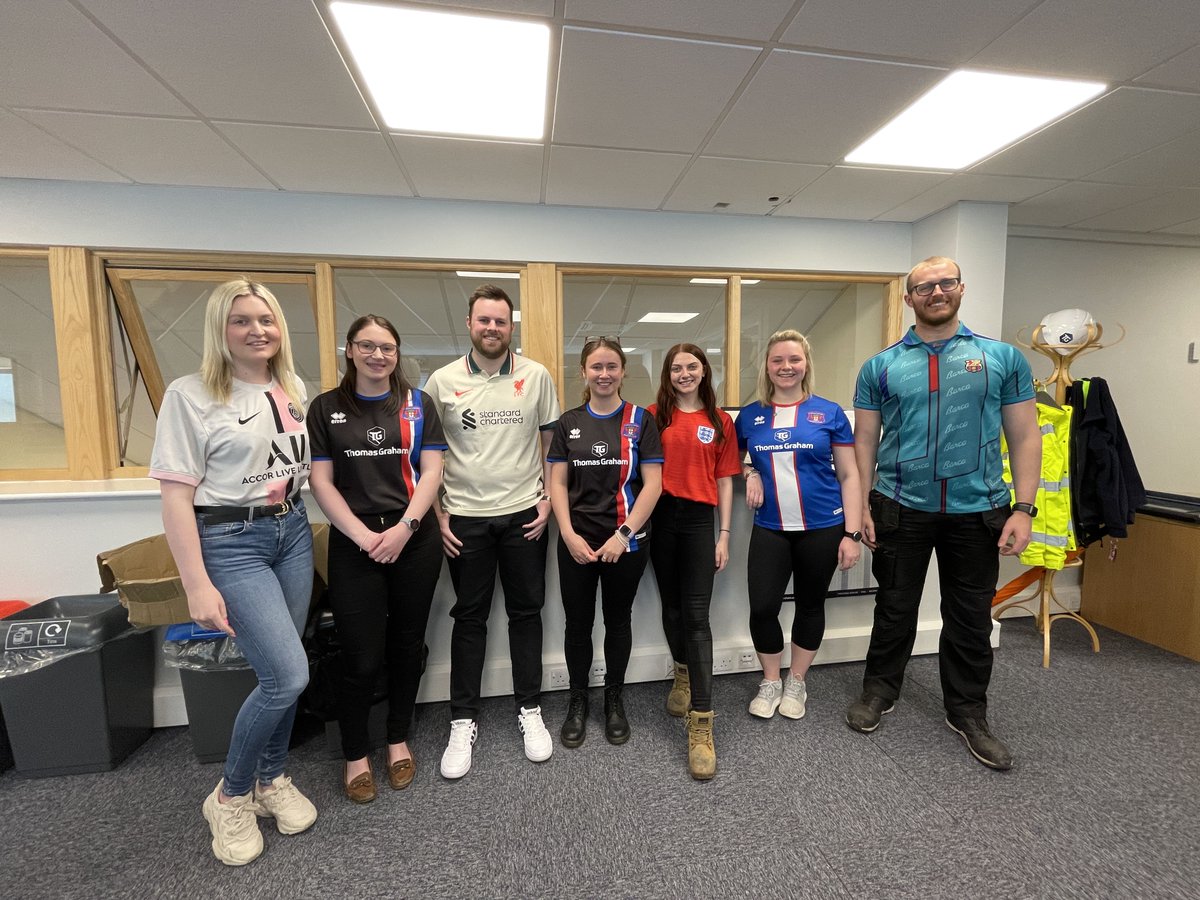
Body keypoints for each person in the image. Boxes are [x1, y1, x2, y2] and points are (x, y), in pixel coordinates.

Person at [848, 256, 1040, 771]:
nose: (935, 292)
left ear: (960, 289)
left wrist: (1023, 507)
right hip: (899, 507)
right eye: (923, 287)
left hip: (979, 510)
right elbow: (865, 440)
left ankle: (968, 712)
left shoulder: (1001, 358)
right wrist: (863, 504)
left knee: (970, 617)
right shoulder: (880, 366)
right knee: (893, 608)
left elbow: (1024, 435)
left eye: (944, 283)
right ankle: (879, 691)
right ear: (908, 299)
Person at [150, 280, 316, 866]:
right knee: (288, 676)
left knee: (283, 668)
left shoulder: (291, 387)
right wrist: (197, 582)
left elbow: (301, 469)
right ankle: (230, 795)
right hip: (230, 542)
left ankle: (271, 780)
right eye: (241, 320)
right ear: (220, 330)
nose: (257, 330)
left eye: (266, 319)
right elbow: (175, 499)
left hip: (291, 532)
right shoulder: (190, 395)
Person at [423, 284, 561, 779]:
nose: (492, 329)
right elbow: (431, 458)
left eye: (500, 321)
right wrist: (438, 514)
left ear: (511, 327)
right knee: (470, 618)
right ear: (469, 323)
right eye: (484, 320)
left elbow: (550, 446)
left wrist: (547, 499)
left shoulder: (536, 375)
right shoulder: (440, 382)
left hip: (526, 514)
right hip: (464, 520)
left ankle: (530, 710)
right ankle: (462, 719)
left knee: (527, 614)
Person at [308, 315, 446, 803]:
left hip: (414, 536)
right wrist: (366, 537)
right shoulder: (326, 408)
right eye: (367, 346)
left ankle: (397, 739)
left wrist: (405, 528)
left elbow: (431, 471)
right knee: (360, 655)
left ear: (396, 353)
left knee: (407, 646)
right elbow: (320, 482)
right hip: (355, 541)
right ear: (350, 350)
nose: (377, 356)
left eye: (387, 348)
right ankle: (354, 754)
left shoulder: (417, 404)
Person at [736, 330, 863, 723]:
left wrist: (852, 533)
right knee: (762, 607)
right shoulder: (751, 415)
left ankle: (797, 680)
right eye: (778, 361)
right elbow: (731, 460)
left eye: (794, 359)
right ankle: (771, 680)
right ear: (768, 367)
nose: (786, 367)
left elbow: (850, 475)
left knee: (811, 605)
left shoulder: (829, 413)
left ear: (805, 363)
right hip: (771, 527)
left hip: (824, 526)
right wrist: (748, 471)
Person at [548, 337, 662, 749]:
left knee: (618, 621)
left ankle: (614, 697)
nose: (604, 374)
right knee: (576, 625)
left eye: (612, 366)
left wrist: (624, 534)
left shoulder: (640, 421)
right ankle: (578, 698)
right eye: (596, 367)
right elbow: (556, 482)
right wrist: (567, 533)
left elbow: (653, 485)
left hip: (625, 542)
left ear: (622, 371)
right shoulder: (568, 422)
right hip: (576, 541)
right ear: (584, 372)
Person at [648, 343, 739, 780]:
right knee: (672, 608)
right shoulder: (653, 416)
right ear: (667, 374)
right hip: (660, 519)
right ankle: (682, 676)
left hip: (701, 522)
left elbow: (724, 481)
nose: (684, 374)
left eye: (692, 367)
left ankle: (701, 723)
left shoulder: (720, 422)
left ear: (704, 372)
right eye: (676, 368)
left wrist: (724, 534)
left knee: (698, 618)